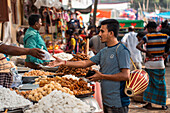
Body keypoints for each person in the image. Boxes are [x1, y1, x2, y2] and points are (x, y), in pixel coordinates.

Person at [48, 19, 131, 113]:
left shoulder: (121, 51)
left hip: (118, 102)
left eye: (102, 31)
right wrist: (64, 62)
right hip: (106, 100)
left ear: (111, 33)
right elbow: (85, 63)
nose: (99, 34)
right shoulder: (104, 51)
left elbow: (125, 75)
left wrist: (102, 76)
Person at [136, 21, 170, 110]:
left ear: (150, 28)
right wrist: (167, 53)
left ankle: (149, 104)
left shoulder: (147, 37)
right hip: (160, 63)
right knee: (161, 83)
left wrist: (147, 52)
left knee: (149, 84)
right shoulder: (164, 36)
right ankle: (163, 104)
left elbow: (138, 46)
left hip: (150, 64)